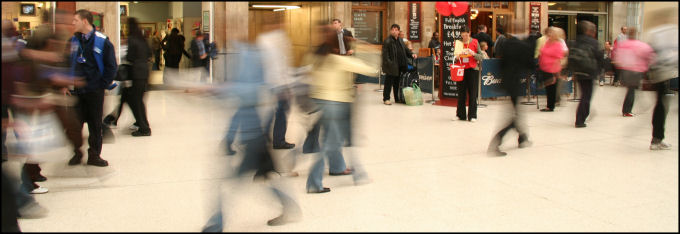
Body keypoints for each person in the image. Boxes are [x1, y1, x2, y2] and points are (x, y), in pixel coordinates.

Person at [305, 25, 376, 194]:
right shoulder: (338, 60)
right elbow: (371, 69)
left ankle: (350, 171)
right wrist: (362, 46)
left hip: (322, 104)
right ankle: (314, 182)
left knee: (341, 140)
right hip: (337, 106)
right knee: (331, 143)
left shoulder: (317, 58)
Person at [67, 9, 118, 167]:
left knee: (95, 125)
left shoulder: (103, 41)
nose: (72, 23)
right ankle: (77, 153)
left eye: (75, 20)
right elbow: (65, 63)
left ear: (85, 21)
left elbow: (111, 66)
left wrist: (102, 84)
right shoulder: (73, 42)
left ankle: (94, 155)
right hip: (76, 91)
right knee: (75, 126)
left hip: (94, 91)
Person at [487, 22, 535, 157]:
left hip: (508, 83)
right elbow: (530, 64)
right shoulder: (523, 46)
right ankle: (496, 142)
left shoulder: (506, 44)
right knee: (515, 117)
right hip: (517, 83)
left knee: (518, 112)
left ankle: (523, 138)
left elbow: (501, 63)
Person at [257, 19, 296, 150]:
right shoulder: (278, 40)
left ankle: (264, 135)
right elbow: (281, 63)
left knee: (275, 110)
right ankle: (279, 140)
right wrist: (286, 85)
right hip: (278, 83)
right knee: (281, 111)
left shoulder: (262, 40)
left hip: (270, 82)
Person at [645, 9, 677, 150]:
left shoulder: (654, 33)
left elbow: (649, 54)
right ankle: (657, 139)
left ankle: (657, 138)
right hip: (667, 73)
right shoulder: (671, 31)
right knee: (662, 107)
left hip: (658, 74)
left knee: (660, 105)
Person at [612, 27, 654, 117]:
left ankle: (626, 109)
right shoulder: (640, 45)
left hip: (625, 70)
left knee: (631, 90)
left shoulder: (623, 44)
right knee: (632, 90)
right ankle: (627, 111)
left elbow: (617, 57)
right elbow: (649, 55)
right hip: (635, 71)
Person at [571, 20, 604, 128]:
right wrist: (599, 72)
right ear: (589, 31)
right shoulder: (594, 42)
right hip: (589, 72)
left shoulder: (576, 41)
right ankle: (580, 119)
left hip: (578, 71)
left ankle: (582, 115)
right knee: (586, 95)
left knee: (584, 94)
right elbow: (600, 58)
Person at [124, 18, 152, 136]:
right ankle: (143, 124)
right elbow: (150, 53)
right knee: (139, 100)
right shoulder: (142, 39)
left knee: (136, 101)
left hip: (136, 72)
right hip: (145, 71)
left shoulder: (131, 39)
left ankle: (144, 128)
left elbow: (129, 57)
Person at [453, 26, 484, 122]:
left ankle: (472, 115)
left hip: (472, 70)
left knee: (473, 93)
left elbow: (481, 56)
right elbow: (455, 58)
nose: (465, 37)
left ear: (469, 33)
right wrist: (458, 55)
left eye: (466, 35)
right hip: (461, 70)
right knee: (461, 93)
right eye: (463, 35)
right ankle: (460, 114)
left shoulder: (475, 42)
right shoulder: (458, 43)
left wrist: (473, 53)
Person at [382, 24, 416, 105]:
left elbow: (406, 50)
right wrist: (390, 64)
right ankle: (386, 99)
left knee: (397, 83)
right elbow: (385, 55)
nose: (394, 31)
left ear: (398, 31)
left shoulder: (400, 40)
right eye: (393, 29)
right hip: (391, 66)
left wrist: (412, 54)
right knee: (388, 83)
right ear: (390, 31)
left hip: (400, 65)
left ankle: (397, 98)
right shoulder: (387, 41)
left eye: (396, 30)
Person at [538, 27, 568, 112]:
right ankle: (550, 104)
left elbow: (559, 56)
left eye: (551, 33)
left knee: (552, 88)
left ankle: (550, 106)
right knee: (548, 88)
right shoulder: (547, 42)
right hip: (545, 68)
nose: (549, 34)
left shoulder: (558, 44)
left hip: (552, 69)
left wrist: (556, 71)